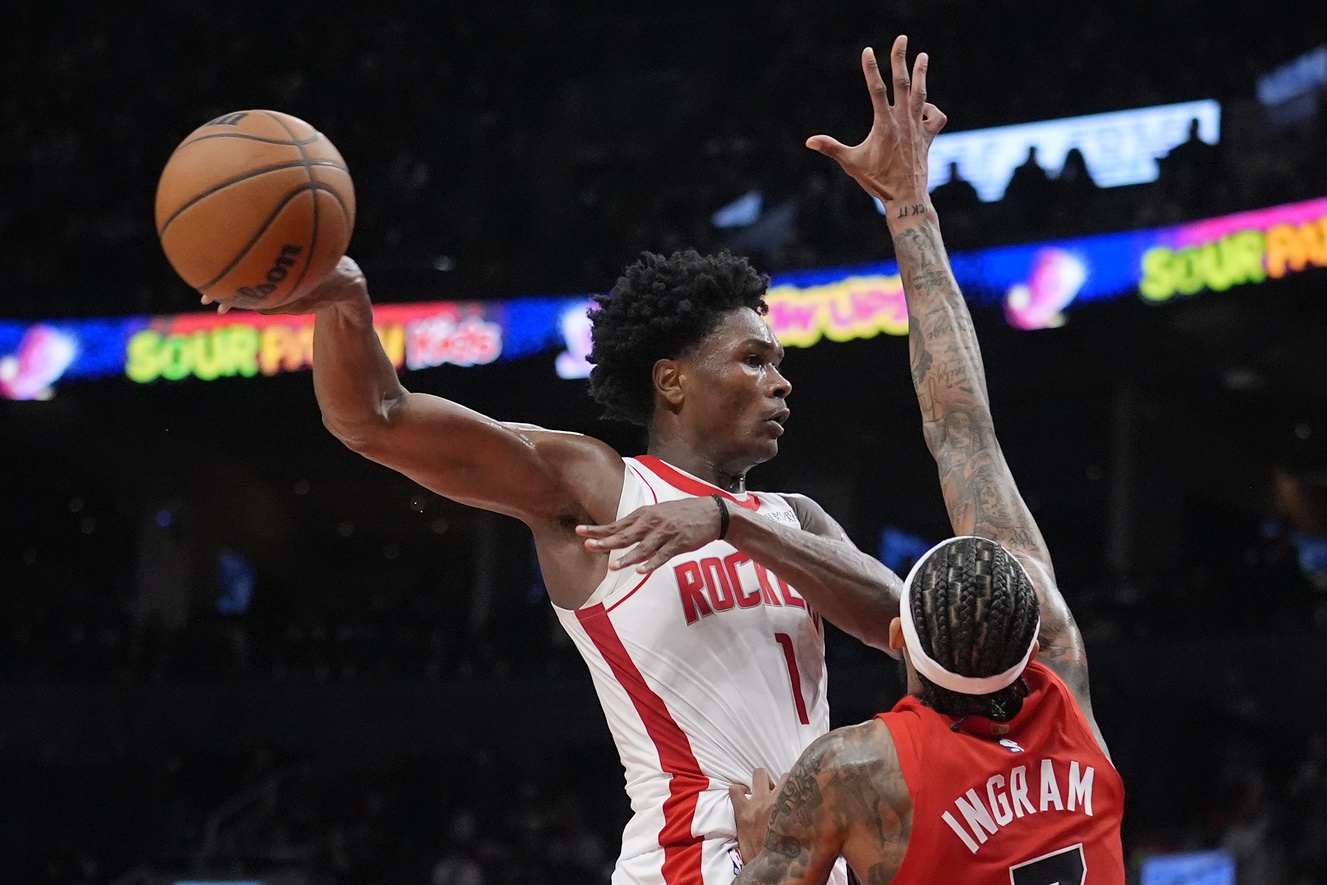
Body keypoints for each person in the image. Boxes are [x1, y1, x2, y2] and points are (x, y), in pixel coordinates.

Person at [206, 210, 904, 883]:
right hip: (685, 858)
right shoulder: (598, 487)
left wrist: (730, 522)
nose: (781, 381)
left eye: (777, 362)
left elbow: (901, 624)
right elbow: (376, 419)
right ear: (672, 380)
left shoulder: (793, 518)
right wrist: (347, 303)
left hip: (813, 861)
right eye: (753, 360)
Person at [727, 37, 1126, 883]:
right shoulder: (1061, 681)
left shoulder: (854, 770)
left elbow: (958, 427)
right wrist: (910, 206)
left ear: (897, 638)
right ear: (1034, 637)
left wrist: (761, 852)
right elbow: (964, 428)